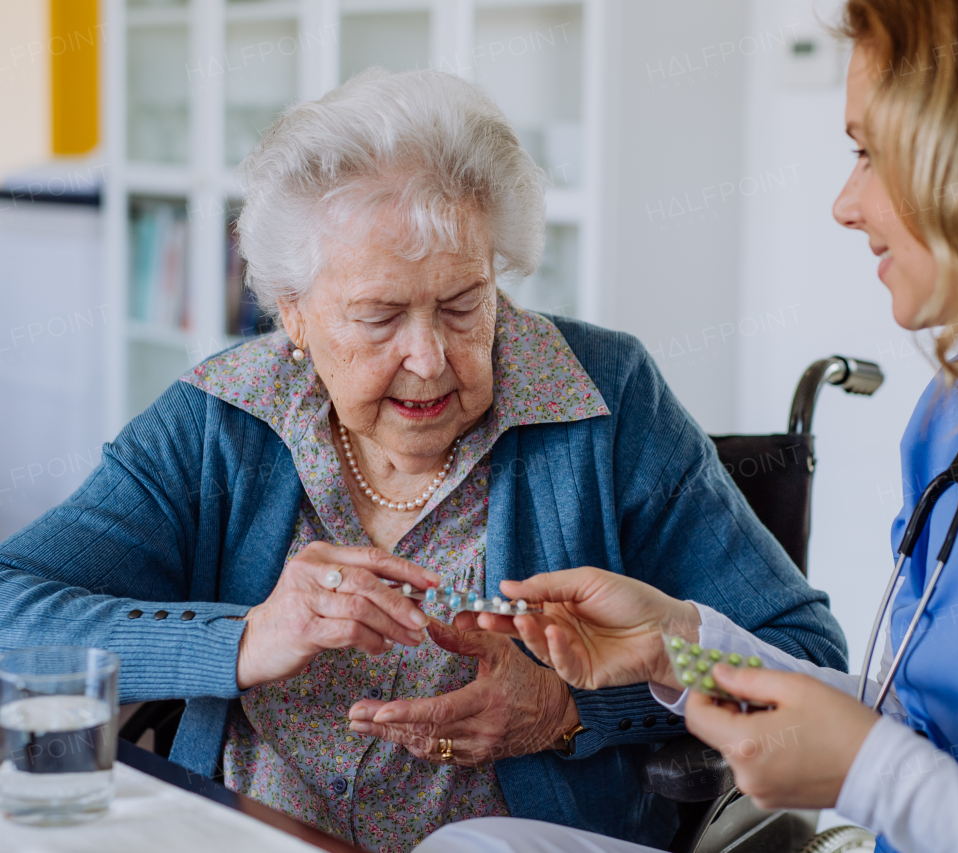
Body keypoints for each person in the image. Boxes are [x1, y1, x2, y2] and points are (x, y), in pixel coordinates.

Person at [405, 1, 958, 851]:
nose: (845, 203)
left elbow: (886, 762)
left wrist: (871, 776)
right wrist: (679, 650)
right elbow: (907, 722)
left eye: (869, 153)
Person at [0, 70, 847, 853]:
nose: (430, 357)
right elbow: (13, 611)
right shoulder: (219, 422)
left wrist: (571, 708)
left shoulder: (608, 401)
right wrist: (244, 637)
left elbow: (801, 657)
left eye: (462, 304)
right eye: (379, 316)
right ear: (292, 313)